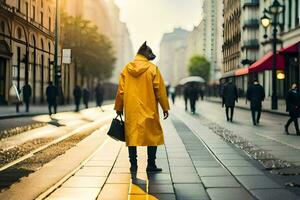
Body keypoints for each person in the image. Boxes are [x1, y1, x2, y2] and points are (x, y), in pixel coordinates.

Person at [114, 41, 170, 173]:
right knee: (153, 135)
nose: (152, 55)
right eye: (150, 53)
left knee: (131, 136)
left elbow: (121, 90)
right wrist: (165, 107)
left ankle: (133, 165)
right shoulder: (153, 69)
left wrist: (118, 107)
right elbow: (160, 90)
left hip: (132, 110)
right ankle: (151, 165)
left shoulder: (127, 68)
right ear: (145, 53)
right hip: (149, 109)